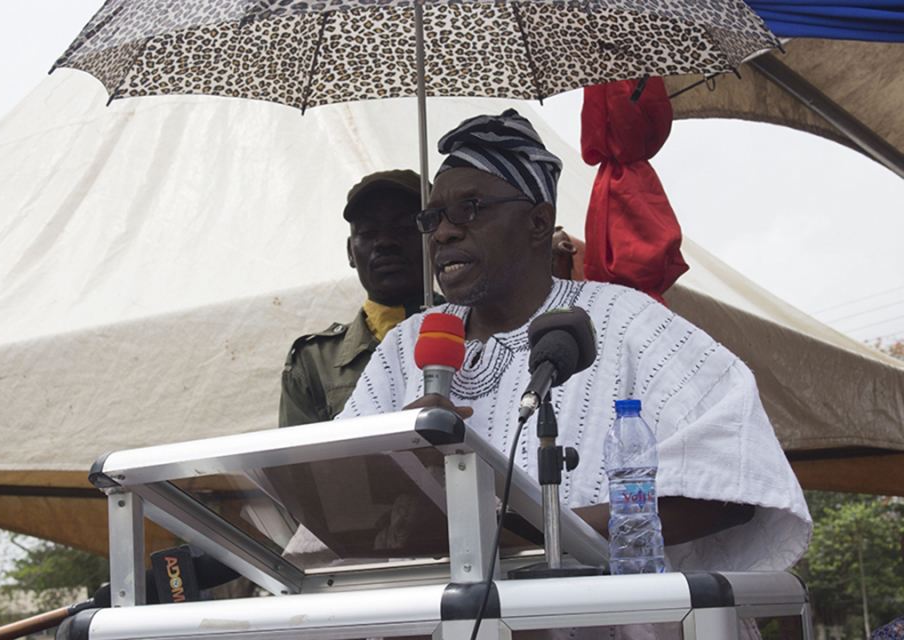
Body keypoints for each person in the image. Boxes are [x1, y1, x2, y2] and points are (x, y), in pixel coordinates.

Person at [338, 110, 811, 579]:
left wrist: (528, 532)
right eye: (434, 218)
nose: (443, 232)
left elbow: (733, 483)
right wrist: (398, 457)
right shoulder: (407, 345)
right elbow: (333, 499)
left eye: (470, 208)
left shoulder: (624, 320)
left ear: (539, 222)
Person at [279, 169, 433, 427]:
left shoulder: (480, 335)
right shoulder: (315, 362)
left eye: (405, 228)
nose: (386, 242)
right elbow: (300, 453)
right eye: (369, 232)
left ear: (436, 239)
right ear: (350, 252)